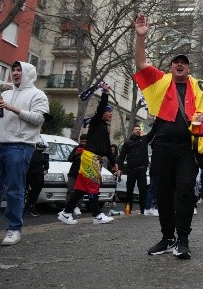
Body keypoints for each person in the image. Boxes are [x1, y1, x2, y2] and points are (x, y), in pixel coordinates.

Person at [133, 14, 203, 260]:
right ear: (171, 66)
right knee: (163, 192)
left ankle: (183, 240)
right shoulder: (161, 81)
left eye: (184, 62)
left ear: (189, 67)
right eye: (176, 61)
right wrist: (140, 37)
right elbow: (141, 64)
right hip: (163, 146)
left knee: (184, 190)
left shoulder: (200, 85)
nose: (180, 64)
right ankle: (167, 237)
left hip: (187, 147)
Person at [0, 61, 49, 246]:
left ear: (28, 73)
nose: (15, 73)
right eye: (13, 70)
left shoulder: (38, 95)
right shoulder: (5, 93)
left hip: (20, 145)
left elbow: (39, 119)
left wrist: (12, 108)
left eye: (19, 70)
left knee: (15, 189)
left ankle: (14, 229)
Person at [58, 83, 120, 226]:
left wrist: (114, 162)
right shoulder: (96, 122)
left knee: (80, 188)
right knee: (93, 186)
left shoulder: (104, 128)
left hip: (93, 158)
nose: (110, 114)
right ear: (102, 112)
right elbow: (100, 109)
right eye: (108, 111)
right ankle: (97, 215)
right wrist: (105, 93)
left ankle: (66, 213)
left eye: (111, 112)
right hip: (90, 157)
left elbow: (106, 147)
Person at [118, 125, 150, 215]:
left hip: (142, 169)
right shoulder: (128, 143)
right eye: (136, 129)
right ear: (132, 131)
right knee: (129, 190)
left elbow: (152, 133)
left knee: (143, 190)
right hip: (131, 169)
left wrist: (155, 123)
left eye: (139, 129)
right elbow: (122, 156)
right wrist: (119, 168)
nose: (137, 131)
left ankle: (143, 210)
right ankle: (128, 209)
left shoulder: (144, 140)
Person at [23, 141, 50, 216]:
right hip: (36, 175)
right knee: (35, 191)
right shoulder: (41, 155)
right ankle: (30, 206)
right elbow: (46, 166)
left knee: (28, 191)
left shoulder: (31, 153)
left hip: (30, 174)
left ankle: (27, 207)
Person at [66, 134, 87, 217]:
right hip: (73, 172)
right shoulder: (77, 148)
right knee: (70, 189)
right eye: (82, 141)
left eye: (85, 141)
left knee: (80, 191)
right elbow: (69, 159)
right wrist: (76, 154)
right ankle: (68, 207)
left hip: (83, 173)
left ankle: (77, 206)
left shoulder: (90, 149)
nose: (83, 143)